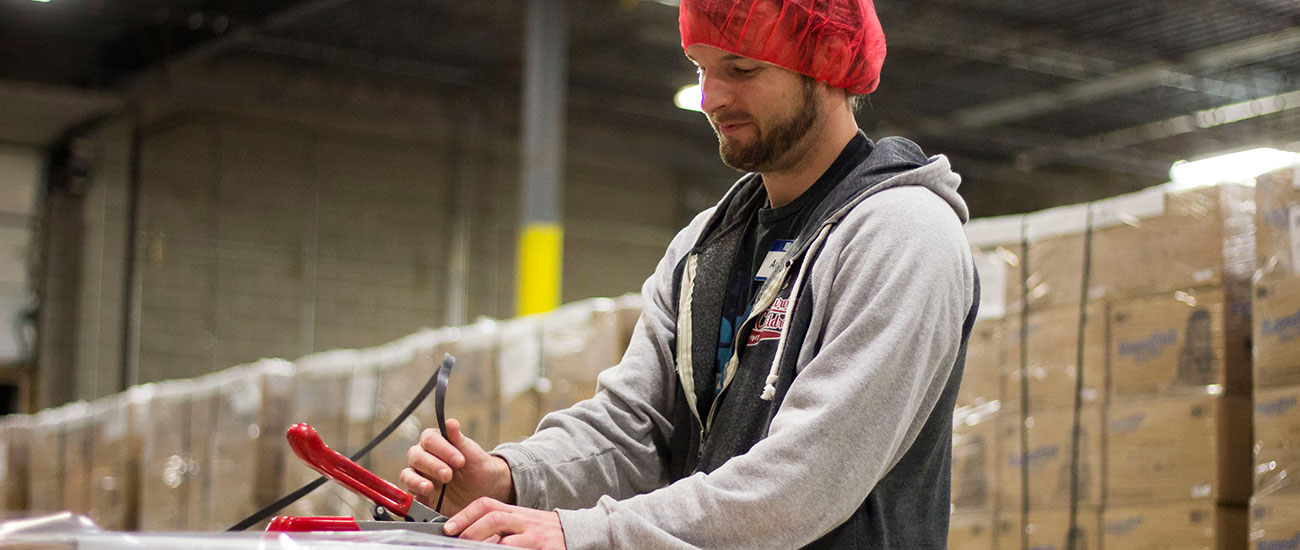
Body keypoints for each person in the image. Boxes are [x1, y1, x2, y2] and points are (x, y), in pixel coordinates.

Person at [401, 0, 978, 548]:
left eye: (742, 68)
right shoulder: (705, 247)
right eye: (700, 67)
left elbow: (804, 481)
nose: (711, 97)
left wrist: (585, 533)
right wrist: (513, 476)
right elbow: (634, 428)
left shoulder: (903, 233)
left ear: (827, 59)